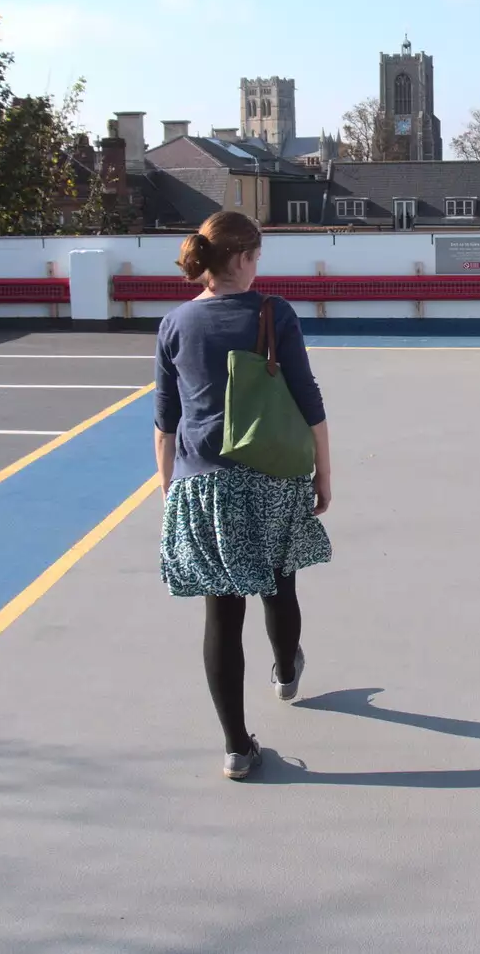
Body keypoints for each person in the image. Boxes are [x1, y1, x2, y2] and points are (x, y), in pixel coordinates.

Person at [154, 211, 333, 782]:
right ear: (241, 258)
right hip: (272, 474)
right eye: (257, 256)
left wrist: (170, 491)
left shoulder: (175, 323)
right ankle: (286, 671)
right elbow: (307, 397)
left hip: (200, 482)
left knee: (221, 612)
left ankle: (236, 747)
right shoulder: (273, 312)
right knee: (280, 581)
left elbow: (165, 420)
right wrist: (323, 471)